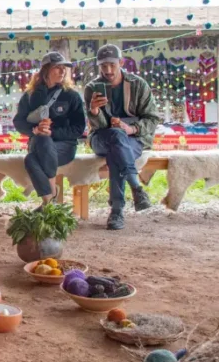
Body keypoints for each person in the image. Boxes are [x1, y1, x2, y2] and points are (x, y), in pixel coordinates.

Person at [84, 44, 162, 230]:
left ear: (121, 62)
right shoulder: (92, 88)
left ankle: (117, 211)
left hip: (133, 138)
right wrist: (94, 110)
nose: (108, 70)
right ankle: (136, 187)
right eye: (103, 66)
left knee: (116, 153)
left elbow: (152, 119)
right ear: (99, 66)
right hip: (102, 137)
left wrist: (131, 128)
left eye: (112, 64)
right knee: (115, 139)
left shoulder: (137, 84)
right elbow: (99, 126)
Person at [13, 52, 86, 206]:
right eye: (57, 68)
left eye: (64, 68)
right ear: (45, 70)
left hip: (64, 148)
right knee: (42, 139)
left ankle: (48, 200)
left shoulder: (71, 96)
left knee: (30, 159)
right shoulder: (30, 95)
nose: (62, 71)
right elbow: (18, 122)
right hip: (37, 143)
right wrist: (35, 130)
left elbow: (79, 128)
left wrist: (53, 132)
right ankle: (51, 194)